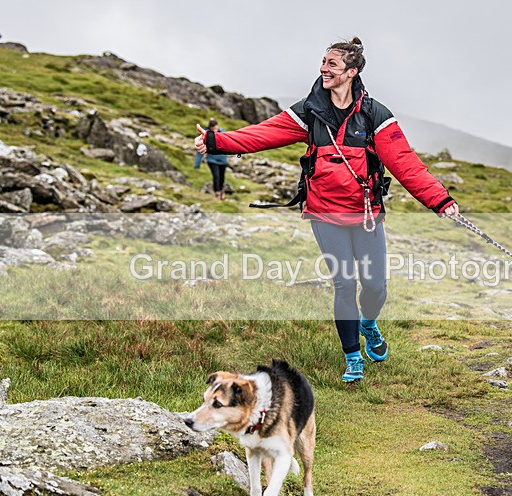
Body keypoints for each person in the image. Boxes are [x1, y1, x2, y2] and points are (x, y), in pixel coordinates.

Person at [194, 37, 459, 383]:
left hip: (365, 215)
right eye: (323, 62)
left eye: (332, 64)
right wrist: (216, 141)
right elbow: (264, 134)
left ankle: (369, 324)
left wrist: (440, 200)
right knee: (345, 284)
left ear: (351, 72)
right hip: (324, 213)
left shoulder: (375, 115)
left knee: (375, 286)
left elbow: (406, 163)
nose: (323, 69)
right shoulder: (309, 110)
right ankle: (353, 358)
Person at [194, 118, 228, 200]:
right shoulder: (206, 135)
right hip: (212, 160)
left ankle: (221, 193)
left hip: (223, 160)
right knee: (216, 176)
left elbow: (228, 143)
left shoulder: (223, 132)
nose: (215, 130)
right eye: (213, 128)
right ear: (210, 128)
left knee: (222, 177)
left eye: (216, 128)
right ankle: (217, 194)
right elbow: (200, 151)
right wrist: (197, 164)